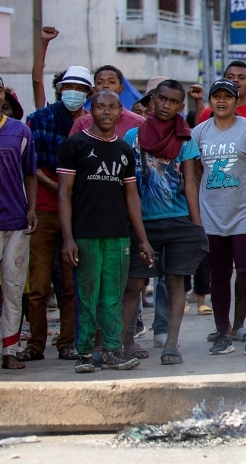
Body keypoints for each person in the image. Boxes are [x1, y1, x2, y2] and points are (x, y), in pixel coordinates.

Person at [57, 90, 154, 373]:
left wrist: (142, 239)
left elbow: (132, 196)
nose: (107, 112)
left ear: (120, 111)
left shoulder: (123, 149)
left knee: (113, 296)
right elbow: (64, 194)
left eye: (113, 107)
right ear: (91, 110)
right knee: (87, 296)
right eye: (101, 107)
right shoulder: (74, 145)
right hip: (85, 234)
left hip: (118, 234)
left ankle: (113, 352)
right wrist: (68, 239)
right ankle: (85, 354)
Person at [125, 80, 208, 365]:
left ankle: (171, 343)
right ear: (152, 100)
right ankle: (126, 342)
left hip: (177, 219)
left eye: (173, 102)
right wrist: (135, 230)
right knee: (134, 283)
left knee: (175, 282)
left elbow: (189, 183)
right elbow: (129, 187)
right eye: (161, 99)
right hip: (142, 221)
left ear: (180, 107)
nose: (166, 105)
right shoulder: (132, 138)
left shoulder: (185, 139)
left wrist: (197, 226)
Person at [18, 64, 92, 363]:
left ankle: (67, 342)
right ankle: (35, 344)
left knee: (71, 285)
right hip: (46, 211)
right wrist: (61, 186)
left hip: (78, 213)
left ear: (88, 93)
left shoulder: (92, 123)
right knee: (37, 285)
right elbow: (31, 166)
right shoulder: (39, 119)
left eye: (80, 88)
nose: (73, 93)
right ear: (60, 89)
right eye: (68, 87)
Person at [192, 80, 246, 355]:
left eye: (228, 96)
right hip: (213, 215)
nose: (222, 101)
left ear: (237, 101)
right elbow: (196, 171)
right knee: (219, 275)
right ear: (210, 102)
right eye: (216, 97)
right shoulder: (199, 132)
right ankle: (222, 333)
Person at [0, 103, 37, 369]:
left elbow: (30, 174)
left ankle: (10, 349)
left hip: (16, 220)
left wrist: (32, 209)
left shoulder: (20, 131)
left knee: (13, 288)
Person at [70, 65, 144, 137]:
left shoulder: (138, 122)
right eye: (100, 82)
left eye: (111, 82)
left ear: (122, 88)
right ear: (94, 90)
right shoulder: (82, 123)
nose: (105, 86)